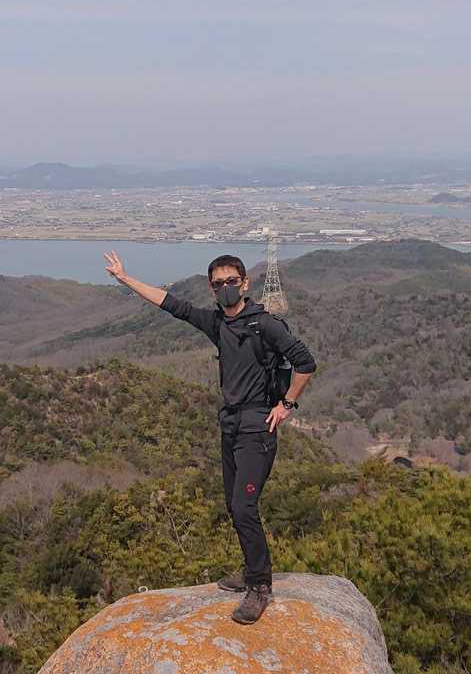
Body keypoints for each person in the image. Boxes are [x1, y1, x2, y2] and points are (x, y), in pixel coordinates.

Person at [103, 250, 317, 623]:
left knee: (244, 506)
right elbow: (172, 304)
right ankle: (251, 570)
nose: (225, 288)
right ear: (211, 288)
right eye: (218, 284)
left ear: (245, 283)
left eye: (231, 281)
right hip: (230, 424)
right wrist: (125, 278)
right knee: (234, 505)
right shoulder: (217, 323)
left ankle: (260, 586)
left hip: (257, 427)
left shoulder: (265, 325)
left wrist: (286, 405)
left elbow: (306, 363)